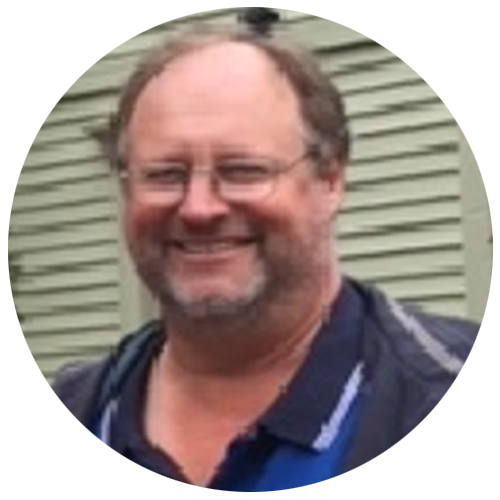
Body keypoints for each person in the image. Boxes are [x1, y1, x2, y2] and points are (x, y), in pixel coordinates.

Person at [9, 10, 492, 492]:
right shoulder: (54, 435)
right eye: (164, 174)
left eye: (243, 170)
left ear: (330, 180)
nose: (199, 208)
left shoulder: (472, 416)